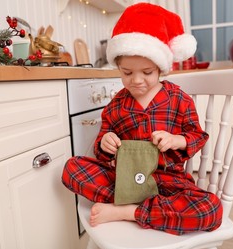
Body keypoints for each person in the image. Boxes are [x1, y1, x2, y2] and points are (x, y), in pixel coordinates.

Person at [62, 3, 222, 236]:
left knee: (211, 209)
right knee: (71, 168)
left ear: (160, 69)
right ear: (118, 67)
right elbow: (100, 149)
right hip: (124, 178)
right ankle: (145, 208)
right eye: (127, 73)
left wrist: (176, 140)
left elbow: (197, 136)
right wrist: (106, 143)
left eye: (146, 72)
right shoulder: (117, 104)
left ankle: (129, 211)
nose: (136, 80)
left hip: (168, 183)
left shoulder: (178, 98)